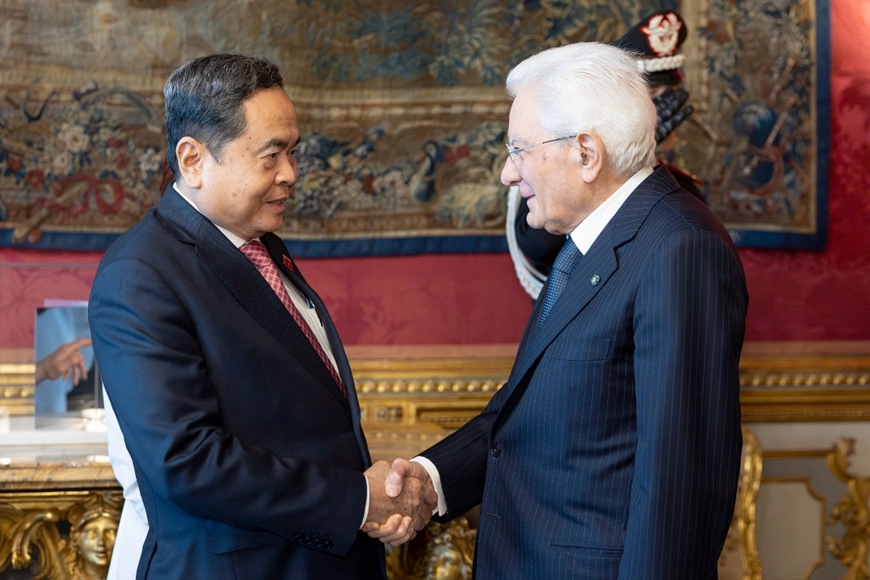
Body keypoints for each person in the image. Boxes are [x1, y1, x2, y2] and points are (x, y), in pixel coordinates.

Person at [369, 42, 748, 579]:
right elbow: (528, 411)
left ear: (586, 153)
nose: (508, 173)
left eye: (520, 150)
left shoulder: (679, 247)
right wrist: (431, 481)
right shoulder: (589, 242)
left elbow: (681, 482)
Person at [88, 53, 434, 580]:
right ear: (193, 160)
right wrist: (357, 501)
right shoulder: (139, 274)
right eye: (271, 156)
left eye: (293, 153)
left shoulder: (260, 247)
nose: (290, 174)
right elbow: (187, 461)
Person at [509, 10, 701, 299]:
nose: (666, 109)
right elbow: (539, 244)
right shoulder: (557, 160)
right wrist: (618, 149)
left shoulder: (682, 191)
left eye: (669, 95)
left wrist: (641, 156)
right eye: (653, 97)